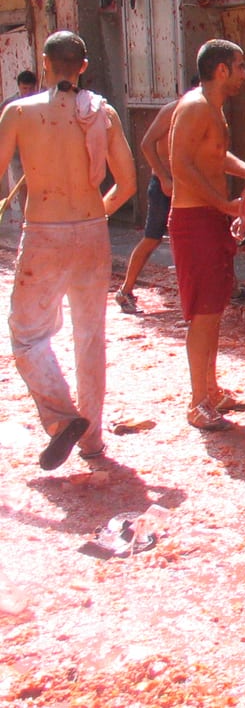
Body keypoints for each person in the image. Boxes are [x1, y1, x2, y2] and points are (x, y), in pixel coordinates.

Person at [0, 32, 136, 469]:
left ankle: (62, 418)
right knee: (90, 337)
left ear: (44, 63)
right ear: (83, 66)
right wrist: (97, 212)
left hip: (45, 230)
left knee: (26, 335)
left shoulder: (19, 112)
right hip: (92, 231)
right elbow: (128, 184)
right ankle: (92, 440)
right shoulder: (103, 113)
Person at [168, 39, 245, 432]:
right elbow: (180, 165)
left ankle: (211, 390)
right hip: (194, 220)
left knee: (213, 310)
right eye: (240, 67)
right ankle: (197, 402)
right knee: (203, 315)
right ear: (222, 69)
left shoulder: (212, 109)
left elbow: (214, 156)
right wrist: (222, 204)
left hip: (209, 219)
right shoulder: (194, 106)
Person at [114, 76, 198, 314]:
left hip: (189, 186)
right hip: (165, 186)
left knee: (205, 235)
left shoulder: (207, 113)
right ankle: (126, 290)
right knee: (152, 238)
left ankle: (224, 288)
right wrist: (163, 178)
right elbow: (146, 143)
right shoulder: (172, 111)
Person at [2, 70, 39, 222]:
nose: (28, 92)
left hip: (38, 150)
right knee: (22, 186)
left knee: (37, 186)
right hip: (17, 152)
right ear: (19, 87)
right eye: (24, 89)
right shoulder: (9, 105)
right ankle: (26, 219)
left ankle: (38, 218)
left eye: (30, 89)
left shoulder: (41, 102)